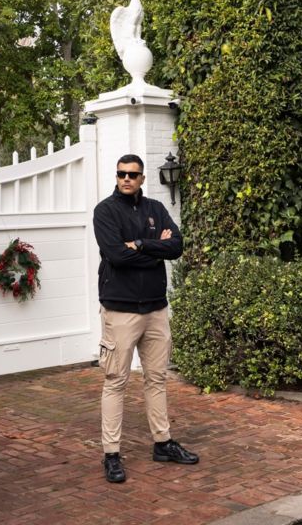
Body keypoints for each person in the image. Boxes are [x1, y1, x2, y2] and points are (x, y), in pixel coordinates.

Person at [92, 154, 199, 484]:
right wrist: (154, 250)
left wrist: (139, 243)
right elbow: (115, 256)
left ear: (141, 179)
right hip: (120, 310)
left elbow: (177, 246)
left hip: (155, 309)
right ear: (117, 176)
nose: (126, 179)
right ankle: (111, 453)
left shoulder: (155, 209)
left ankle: (163, 443)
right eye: (121, 173)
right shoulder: (105, 211)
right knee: (116, 381)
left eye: (132, 174)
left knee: (157, 378)